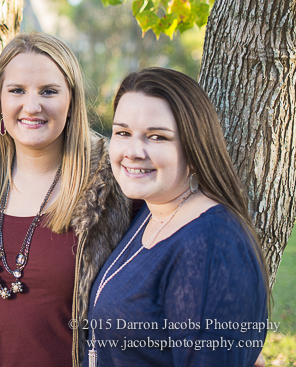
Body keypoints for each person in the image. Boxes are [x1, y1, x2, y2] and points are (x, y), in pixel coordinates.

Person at [0, 31, 134, 367]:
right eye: (17, 90)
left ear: (72, 100)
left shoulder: (114, 184)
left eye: (49, 91)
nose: (32, 106)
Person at [87, 67, 269, 366]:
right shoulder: (154, 209)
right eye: (123, 133)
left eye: (157, 137)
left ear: (194, 146)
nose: (133, 151)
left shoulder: (210, 245)